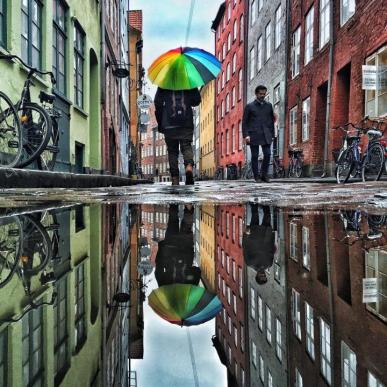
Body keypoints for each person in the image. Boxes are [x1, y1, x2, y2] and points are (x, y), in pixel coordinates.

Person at [154, 87, 201, 185]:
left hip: (169, 124)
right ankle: (188, 168)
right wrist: (188, 100)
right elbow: (197, 100)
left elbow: (157, 102)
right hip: (186, 122)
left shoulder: (164, 82)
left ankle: (175, 178)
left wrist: (160, 122)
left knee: (172, 152)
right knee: (186, 146)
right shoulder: (188, 79)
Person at [155, 204, 201, 287]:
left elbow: (197, 271)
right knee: (173, 221)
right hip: (170, 249)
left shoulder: (189, 290)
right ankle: (174, 202)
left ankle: (188, 207)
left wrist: (189, 271)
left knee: (187, 226)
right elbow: (158, 269)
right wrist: (161, 249)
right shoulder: (164, 289)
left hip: (186, 251)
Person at [242, 85, 276, 183]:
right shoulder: (249, 106)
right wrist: (246, 135)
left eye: (264, 94)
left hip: (266, 134)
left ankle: (264, 174)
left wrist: (272, 135)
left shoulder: (269, 106)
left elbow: (271, 121)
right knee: (255, 156)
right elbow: (245, 122)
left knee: (268, 154)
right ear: (256, 94)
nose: (262, 95)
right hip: (254, 135)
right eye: (260, 94)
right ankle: (256, 176)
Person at [242, 203, 275, 285]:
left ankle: (254, 201)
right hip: (266, 236)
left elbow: (245, 247)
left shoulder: (250, 263)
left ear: (257, 275)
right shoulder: (269, 264)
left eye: (261, 276)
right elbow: (272, 249)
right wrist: (272, 235)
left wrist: (246, 235)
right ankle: (265, 201)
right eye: (265, 276)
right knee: (267, 215)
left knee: (255, 215)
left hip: (254, 236)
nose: (263, 275)